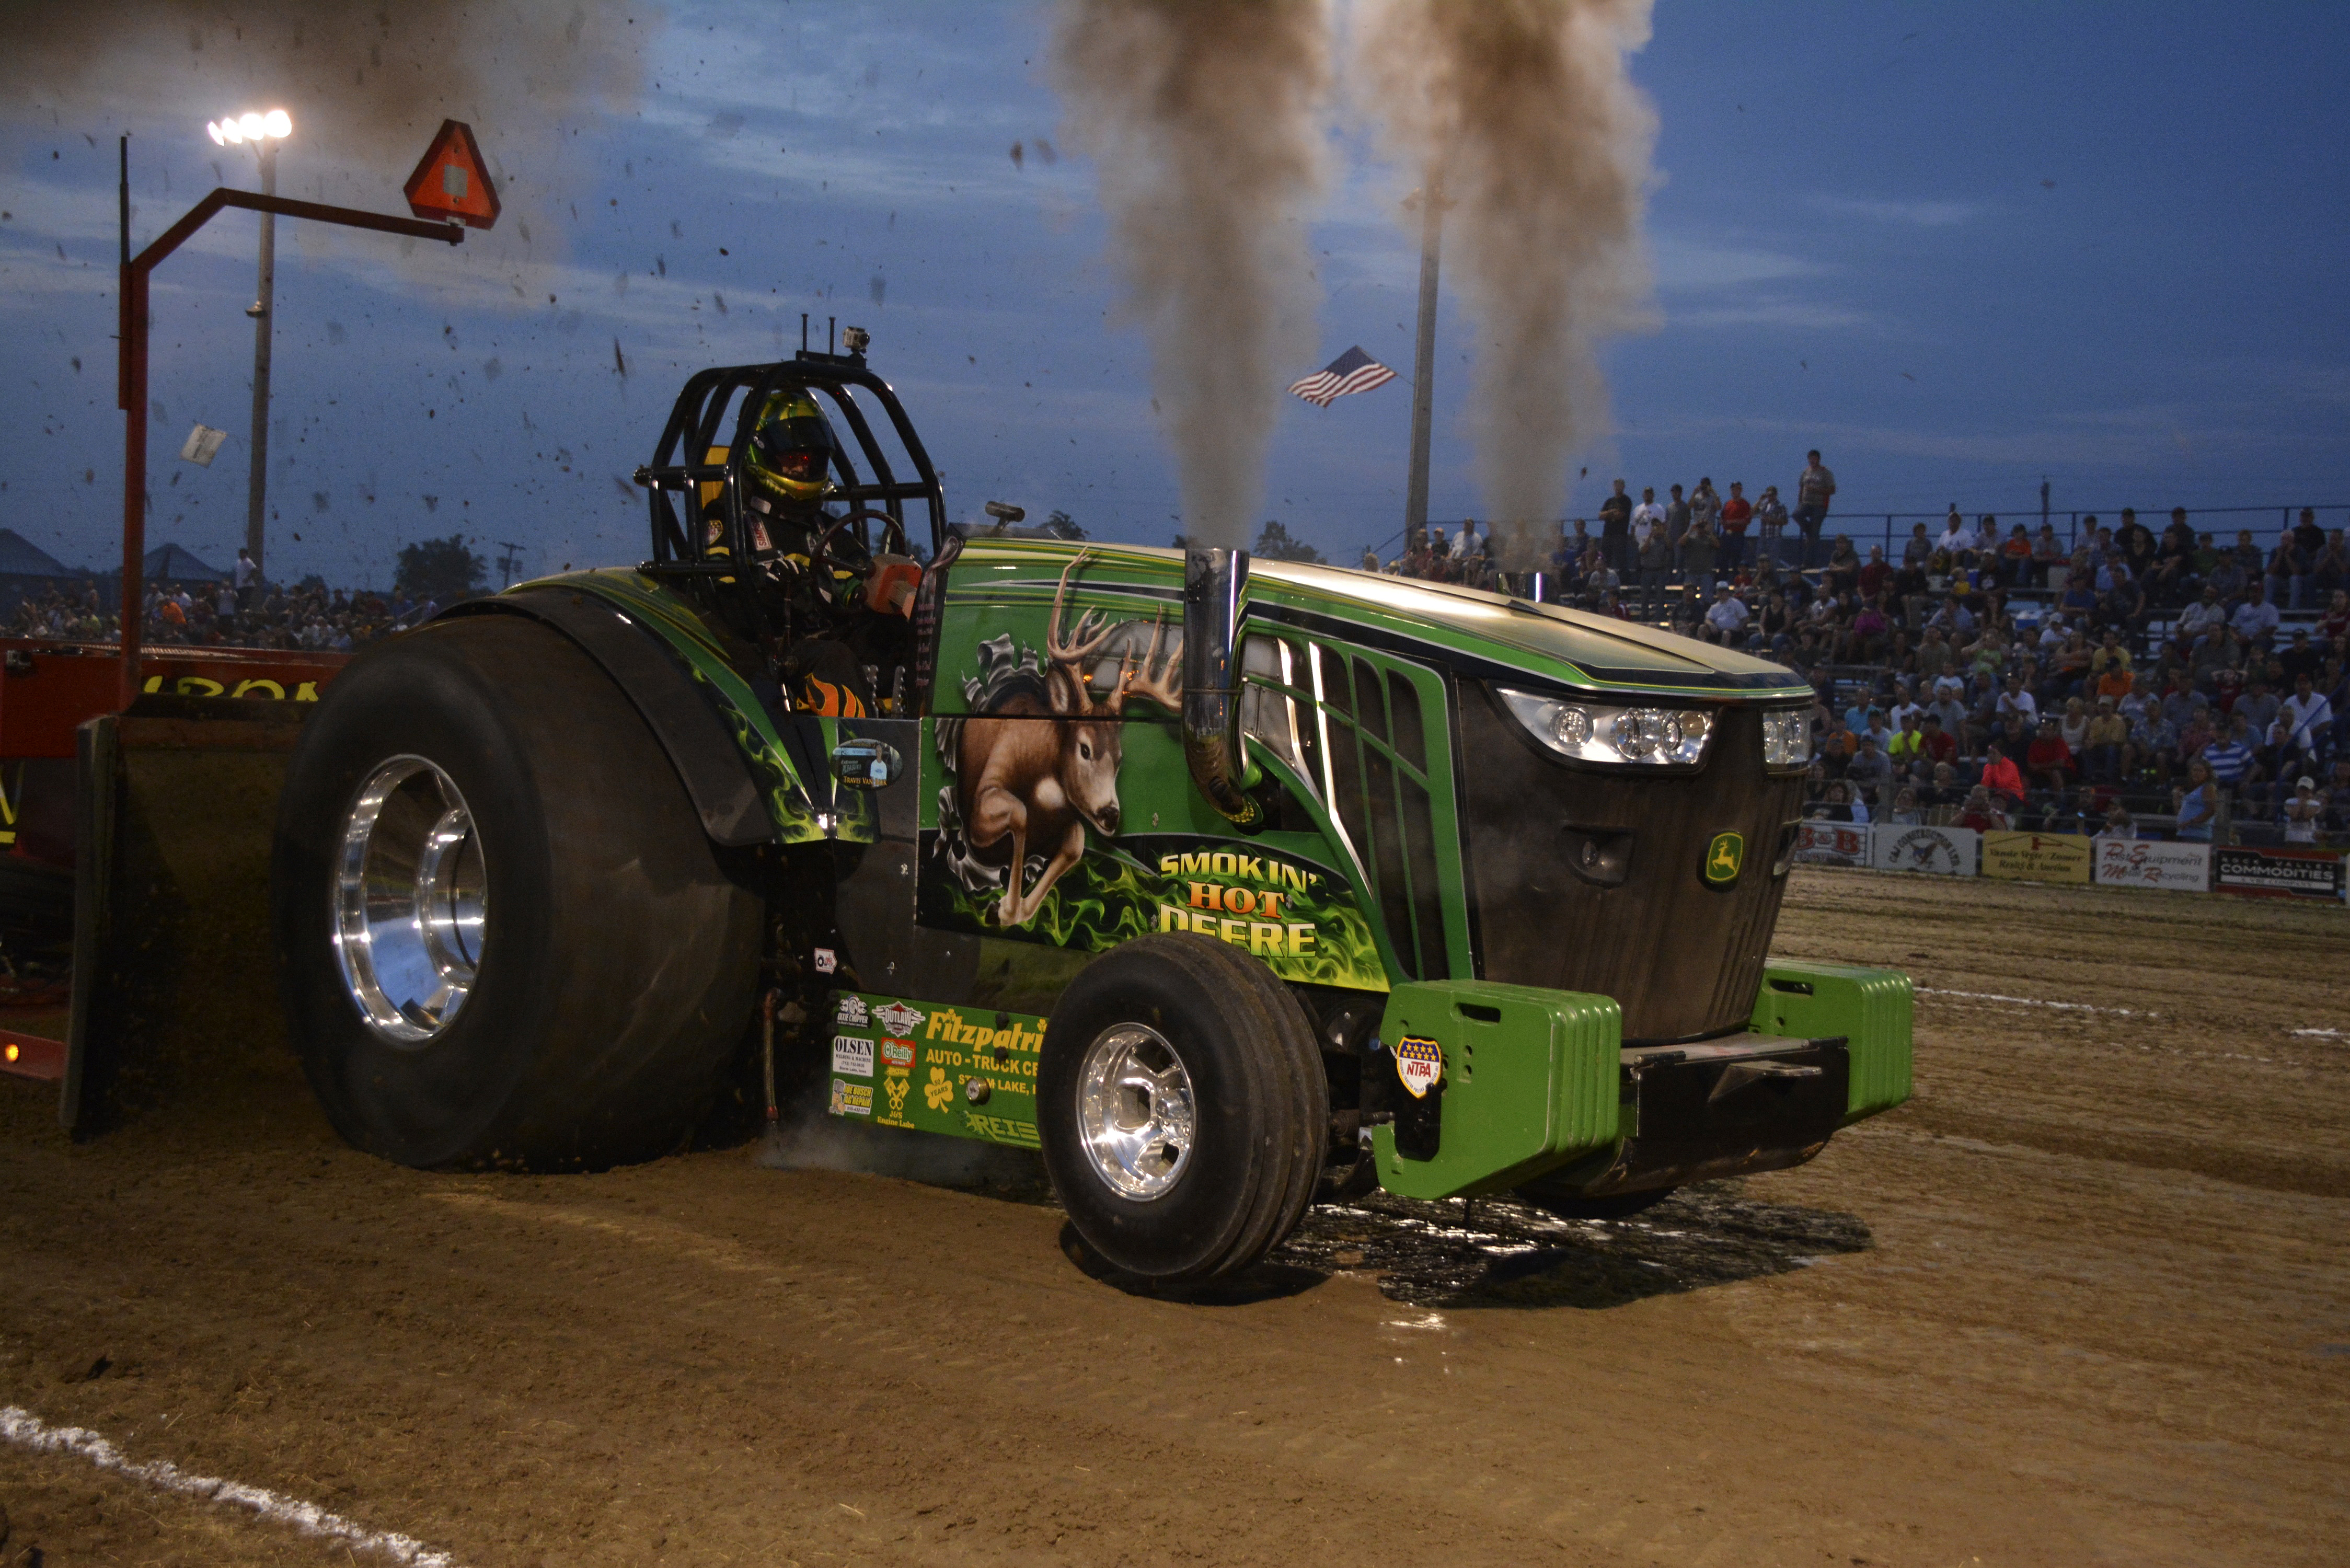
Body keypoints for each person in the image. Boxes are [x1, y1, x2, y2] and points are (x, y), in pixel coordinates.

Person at [2174, 759, 2217, 841]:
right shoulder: (2190, 790)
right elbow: (2180, 813)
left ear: (2207, 774)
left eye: (2200, 771)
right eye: (2194, 770)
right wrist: (2176, 799)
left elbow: (2211, 810)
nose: (2196, 773)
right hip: (2183, 832)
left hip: (2198, 835)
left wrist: (2190, 822)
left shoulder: (2208, 787)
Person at [1598, 479, 1633, 571]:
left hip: (1620, 535)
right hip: (1607, 534)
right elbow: (1601, 516)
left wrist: (1608, 514)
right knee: (1605, 559)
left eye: (1620, 485)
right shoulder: (1609, 501)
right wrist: (1612, 512)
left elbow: (1620, 515)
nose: (1618, 487)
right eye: (1616, 485)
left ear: (1623, 487)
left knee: (1621, 559)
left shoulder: (1626, 500)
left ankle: (1624, 580)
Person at [1718, 481, 1752, 571]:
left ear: (1740, 491)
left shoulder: (1745, 504)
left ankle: (1736, 580)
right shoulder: (1728, 503)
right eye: (1733, 490)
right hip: (1727, 534)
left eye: (1736, 490)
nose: (1734, 492)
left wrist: (1733, 522)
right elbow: (1722, 517)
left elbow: (1746, 521)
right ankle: (1722, 580)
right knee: (1723, 559)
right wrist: (1723, 522)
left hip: (1738, 535)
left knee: (1736, 559)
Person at [2282, 775, 2325, 844]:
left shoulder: (2315, 804)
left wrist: (2304, 801)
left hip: (2308, 838)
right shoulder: (2289, 801)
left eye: (2306, 789)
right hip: (2291, 837)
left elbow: (2307, 817)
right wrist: (2301, 801)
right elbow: (2294, 817)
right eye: (2301, 789)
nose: (2303, 791)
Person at [1755, 485, 1789, 567]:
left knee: (1772, 561)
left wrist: (1771, 520)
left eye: (1772, 495)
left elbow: (1785, 521)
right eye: (1768, 495)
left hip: (1774, 537)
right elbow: (1752, 512)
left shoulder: (1780, 506)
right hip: (1763, 536)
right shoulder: (1764, 505)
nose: (1770, 497)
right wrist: (1759, 500)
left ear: (1776, 495)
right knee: (1759, 559)